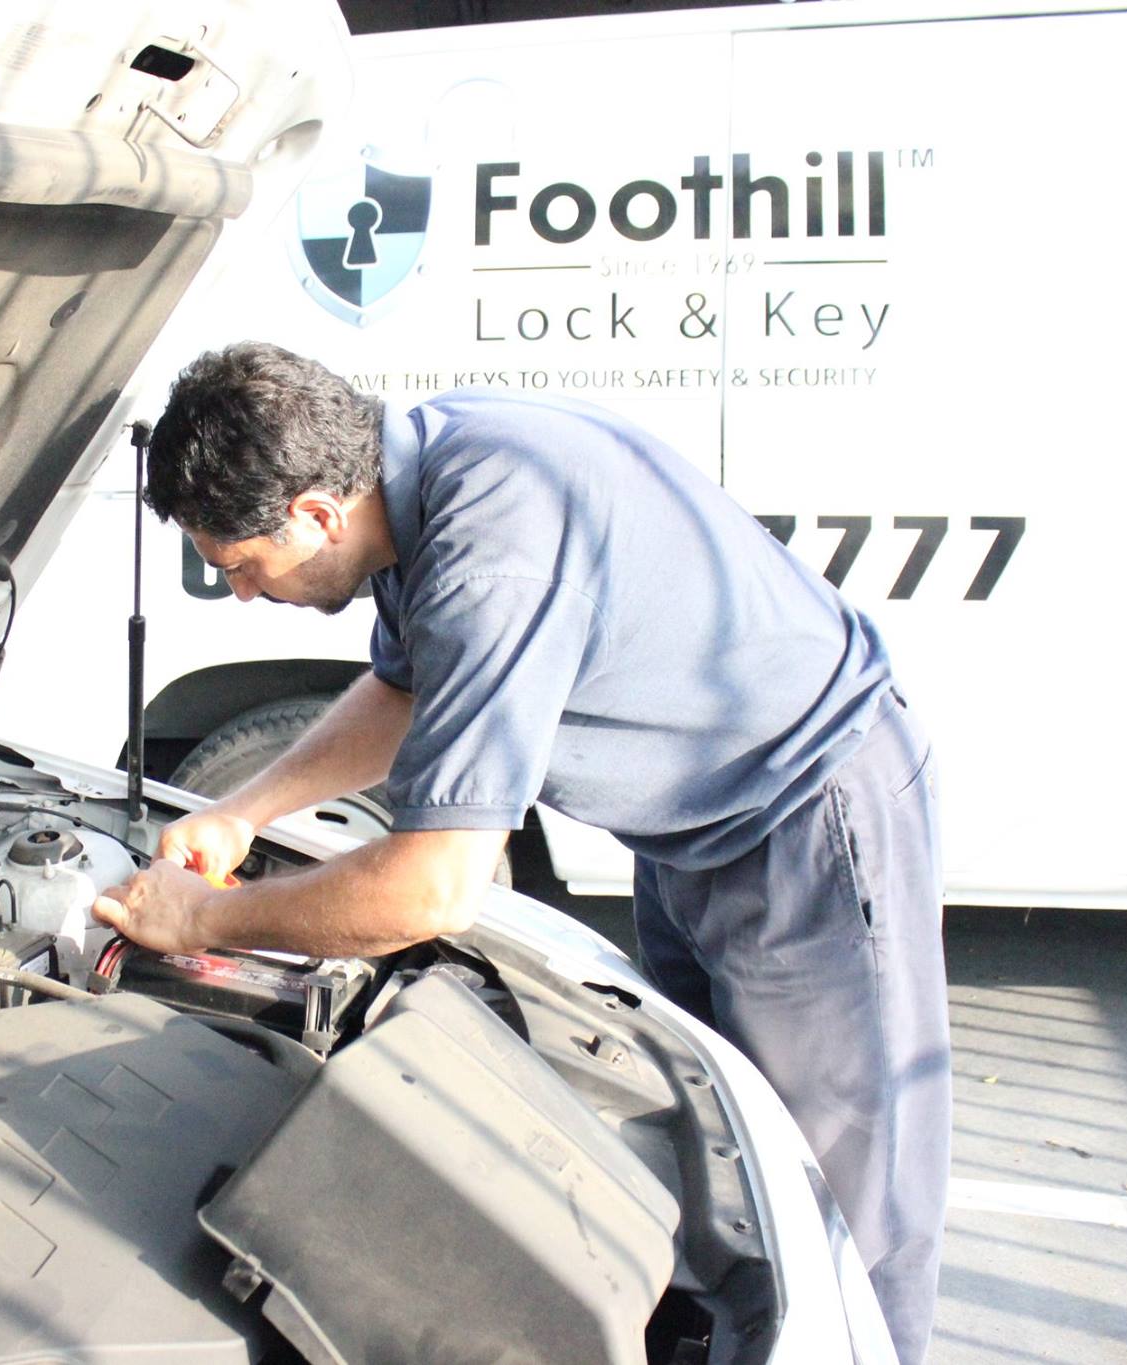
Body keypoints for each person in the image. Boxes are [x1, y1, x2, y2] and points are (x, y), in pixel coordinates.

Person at [91, 341, 950, 1364]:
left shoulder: (489, 548)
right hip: (693, 833)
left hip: (804, 817)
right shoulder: (418, 482)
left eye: (238, 565)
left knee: (842, 1219)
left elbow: (429, 892)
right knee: (723, 1176)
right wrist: (243, 811)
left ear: (315, 514)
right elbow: (405, 692)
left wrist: (200, 920)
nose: (238, 592)